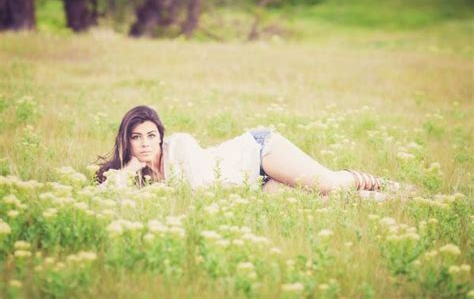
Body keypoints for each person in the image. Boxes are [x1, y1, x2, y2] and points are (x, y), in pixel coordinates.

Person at [96, 105, 401, 198]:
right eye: (137, 137)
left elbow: (200, 190)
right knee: (315, 203)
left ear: (161, 137)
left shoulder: (181, 146)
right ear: (128, 141)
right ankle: (392, 200)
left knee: (326, 184)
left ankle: (383, 183)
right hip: (254, 185)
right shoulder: (142, 175)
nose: (146, 143)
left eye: (151, 135)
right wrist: (130, 169)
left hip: (258, 152)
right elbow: (106, 197)